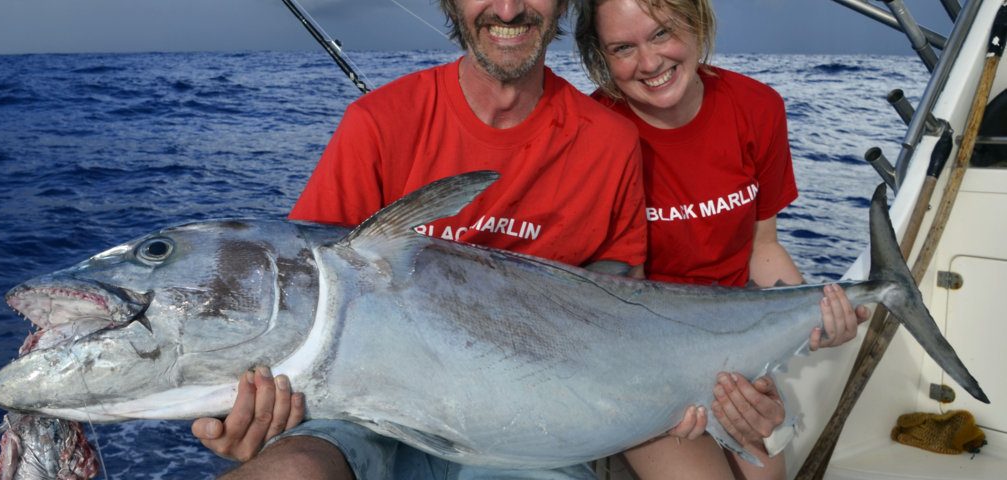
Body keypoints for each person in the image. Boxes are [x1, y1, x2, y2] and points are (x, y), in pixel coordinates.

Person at [193, 1, 653, 478]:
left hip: (526, 429)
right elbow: (300, 299)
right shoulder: (375, 121)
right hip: (360, 414)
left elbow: (621, 306)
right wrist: (251, 409)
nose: (510, 9)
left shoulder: (610, 141)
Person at [573, 0, 869, 478]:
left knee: (767, 476)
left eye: (663, 33)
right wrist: (676, 391)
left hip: (735, 346)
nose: (649, 63)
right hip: (639, 361)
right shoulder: (593, 131)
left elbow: (763, 248)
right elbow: (608, 294)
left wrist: (822, 314)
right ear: (600, 58)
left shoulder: (757, 107)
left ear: (696, 23)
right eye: (623, 48)